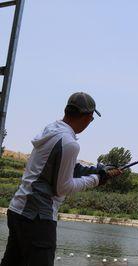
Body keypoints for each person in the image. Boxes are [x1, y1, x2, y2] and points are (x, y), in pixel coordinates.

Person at [1, 92, 122, 266]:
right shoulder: (69, 143)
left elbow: (64, 166)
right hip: (38, 218)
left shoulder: (52, 130)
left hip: (18, 210)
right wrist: (97, 179)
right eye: (92, 119)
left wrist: (98, 170)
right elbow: (63, 187)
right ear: (88, 117)